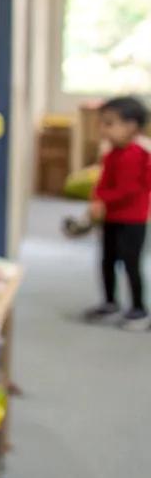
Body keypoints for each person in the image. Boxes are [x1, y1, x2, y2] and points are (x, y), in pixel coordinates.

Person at [84, 95, 151, 328]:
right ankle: (110, 303)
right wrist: (97, 199)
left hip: (132, 220)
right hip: (111, 217)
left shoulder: (138, 154)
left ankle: (139, 309)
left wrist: (103, 200)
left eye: (109, 123)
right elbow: (103, 182)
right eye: (102, 123)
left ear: (132, 126)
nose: (103, 129)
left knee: (131, 264)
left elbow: (129, 189)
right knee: (107, 260)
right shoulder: (112, 153)